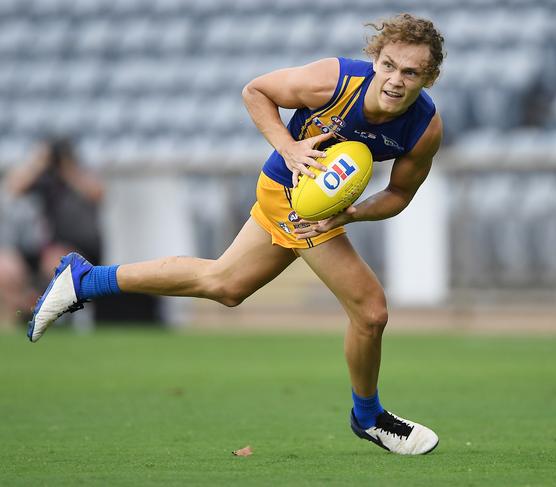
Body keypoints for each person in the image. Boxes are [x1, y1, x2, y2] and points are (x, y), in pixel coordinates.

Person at [28, 14, 445, 455]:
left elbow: (399, 192)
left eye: (411, 72)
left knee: (224, 284)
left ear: (429, 77)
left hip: (315, 207)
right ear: (375, 59)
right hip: (286, 193)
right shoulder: (336, 81)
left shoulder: (424, 129)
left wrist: (351, 215)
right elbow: (256, 91)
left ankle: (84, 280)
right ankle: (368, 417)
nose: (396, 80)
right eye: (389, 65)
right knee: (371, 311)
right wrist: (288, 146)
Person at [0, 137, 103, 325]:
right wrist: (39, 162)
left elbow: (97, 193)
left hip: (72, 248)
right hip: (32, 246)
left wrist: (68, 168)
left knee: (56, 262)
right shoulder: (37, 174)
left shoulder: (78, 174)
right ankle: (18, 316)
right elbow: (12, 188)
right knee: (4, 268)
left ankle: (65, 321)